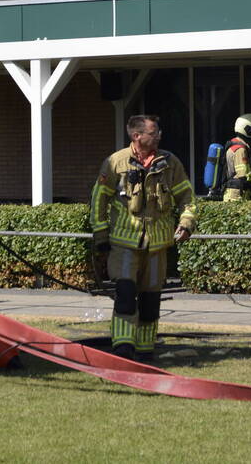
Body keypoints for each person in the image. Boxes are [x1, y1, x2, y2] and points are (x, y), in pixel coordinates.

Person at [89, 115, 197, 361]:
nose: (159, 136)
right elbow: (99, 199)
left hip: (157, 245)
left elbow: (187, 197)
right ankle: (123, 347)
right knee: (126, 295)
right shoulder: (116, 162)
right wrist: (101, 234)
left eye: (158, 132)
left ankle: (146, 349)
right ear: (136, 136)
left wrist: (186, 223)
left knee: (150, 300)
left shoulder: (170, 163)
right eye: (153, 132)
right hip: (124, 244)